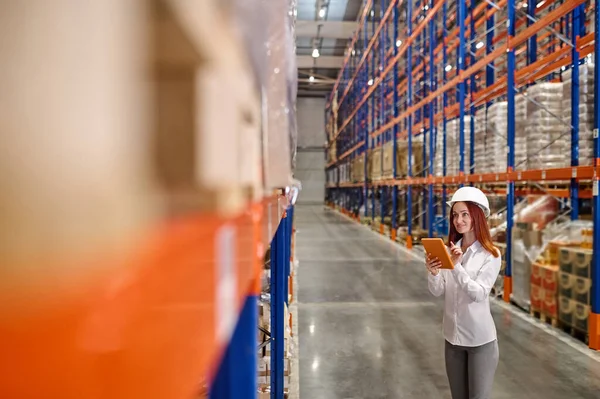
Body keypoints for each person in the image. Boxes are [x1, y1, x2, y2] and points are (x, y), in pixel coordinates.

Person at [425, 187, 501, 399]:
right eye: (455, 215)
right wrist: (433, 272)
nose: (459, 220)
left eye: (465, 214)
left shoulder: (491, 254)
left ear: (477, 215)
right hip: (452, 339)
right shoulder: (450, 249)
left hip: (480, 342)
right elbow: (437, 290)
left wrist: (455, 266)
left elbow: (479, 294)